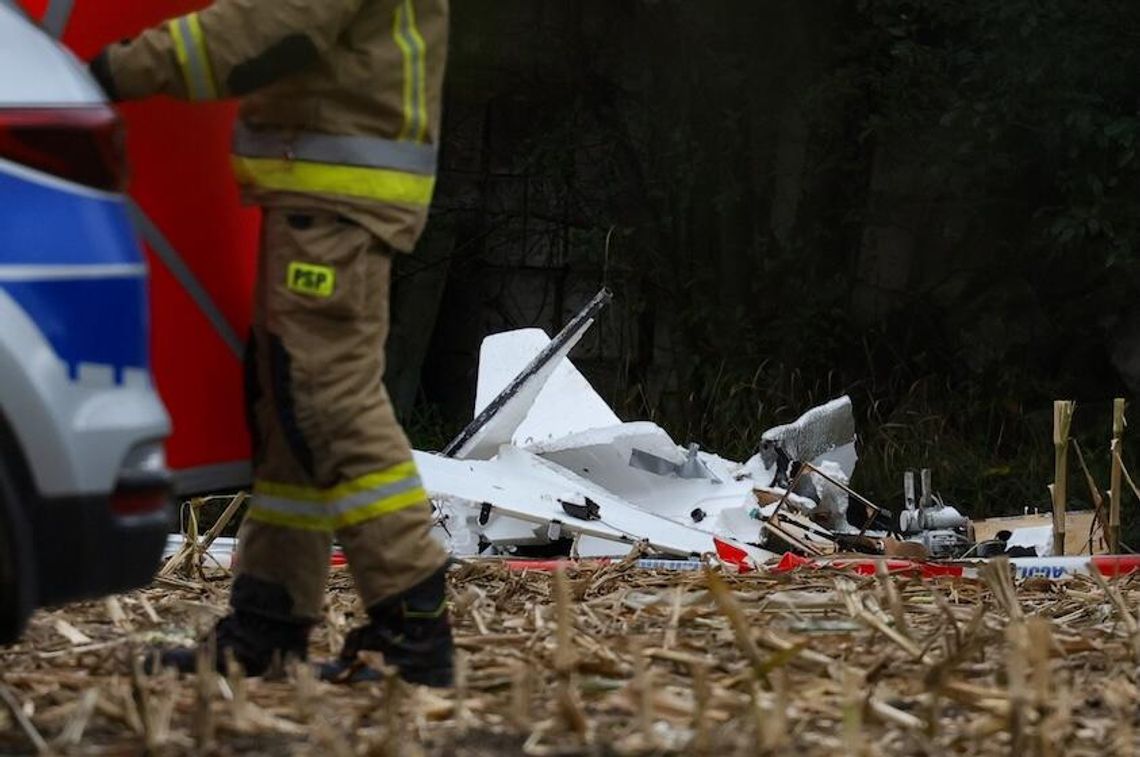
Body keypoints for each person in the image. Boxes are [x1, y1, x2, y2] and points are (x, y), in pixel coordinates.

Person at [89, 0, 455, 687]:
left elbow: (273, 24)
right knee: (290, 415)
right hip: (321, 194)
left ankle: (415, 617)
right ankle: (270, 620)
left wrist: (114, 69)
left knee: (327, 399)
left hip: (336, 200)